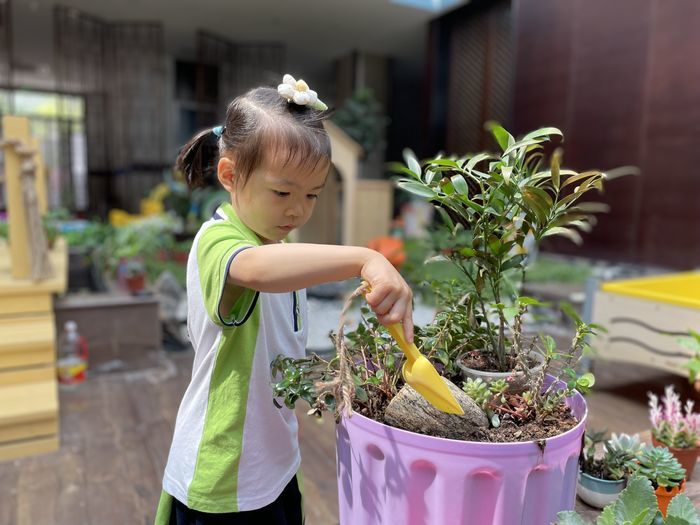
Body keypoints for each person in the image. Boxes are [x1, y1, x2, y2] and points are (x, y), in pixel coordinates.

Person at [154, 74, 413, 525]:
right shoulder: (219, 240)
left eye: (312, 194)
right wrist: (365, 258)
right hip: (223, 474)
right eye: (283, 193)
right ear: (231, 175)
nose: (298, 210)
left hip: (274, 462)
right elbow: (254, 271)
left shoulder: (278, 244)